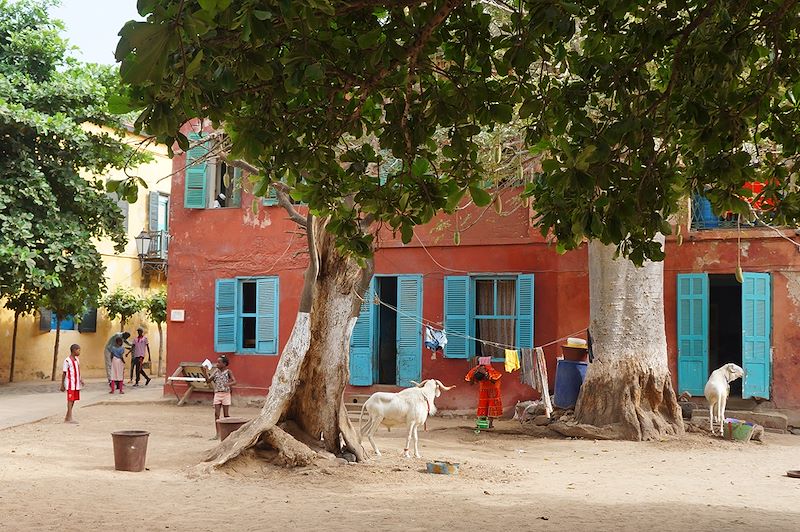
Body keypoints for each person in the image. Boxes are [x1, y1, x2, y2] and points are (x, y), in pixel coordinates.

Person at [202, 356, 237, 435]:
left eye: (219, 362)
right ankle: (218, 433)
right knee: (216, 414)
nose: (217, 364)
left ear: (224, 364)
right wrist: (205, 372)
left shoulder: (228, 372)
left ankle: (227, 432)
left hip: (226, 394)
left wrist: (228, 384)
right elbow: (208, 381)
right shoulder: (215, 372)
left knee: (226, 415)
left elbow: (235, 381)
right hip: (217, 394)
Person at [465, 356, 503, 428]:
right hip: (484, 390)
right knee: (483, 406)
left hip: (493, 390)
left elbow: (494, 380)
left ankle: (490, 423)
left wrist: (487, 376)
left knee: (491, 407)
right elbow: (471, 383)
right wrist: (474, 377)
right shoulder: (474, 371)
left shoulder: (491, 371)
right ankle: (482, 423)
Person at [60, 344, 84, 424]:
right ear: (74, 350)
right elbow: (64, 373)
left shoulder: (77, 359)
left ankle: (67, 417)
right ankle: (69, 417)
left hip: (76, 383)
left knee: (73, 400)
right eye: (78, 350)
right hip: (70, 383)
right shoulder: (67, 360)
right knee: (70, 400)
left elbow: (78, 370)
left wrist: (81, 379)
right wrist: (62, 384)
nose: (79, 352)